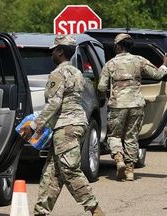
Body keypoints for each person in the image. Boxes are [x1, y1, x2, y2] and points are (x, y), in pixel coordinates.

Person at [21, 35, 104, 216]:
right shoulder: (78, 73)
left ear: (60, 51)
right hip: (76, 124)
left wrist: (34, 126)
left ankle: (95, 209)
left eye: (53, 51)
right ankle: (41, 212)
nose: (52, 54)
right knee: (51, 173)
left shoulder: (58, 73)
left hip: (66, 127)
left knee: (70, 170)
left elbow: (54, 103)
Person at [97, 33, 167, 181]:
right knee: (131, 136)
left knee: (115, 135)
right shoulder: (139, 60)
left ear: (118, 46)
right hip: (136, 104)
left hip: (117, 105)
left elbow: (101, 87)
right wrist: (165, 64)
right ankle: (130, 170)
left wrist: (105, 94)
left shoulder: (110, 64)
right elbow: (157, 75)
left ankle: (119, 160)